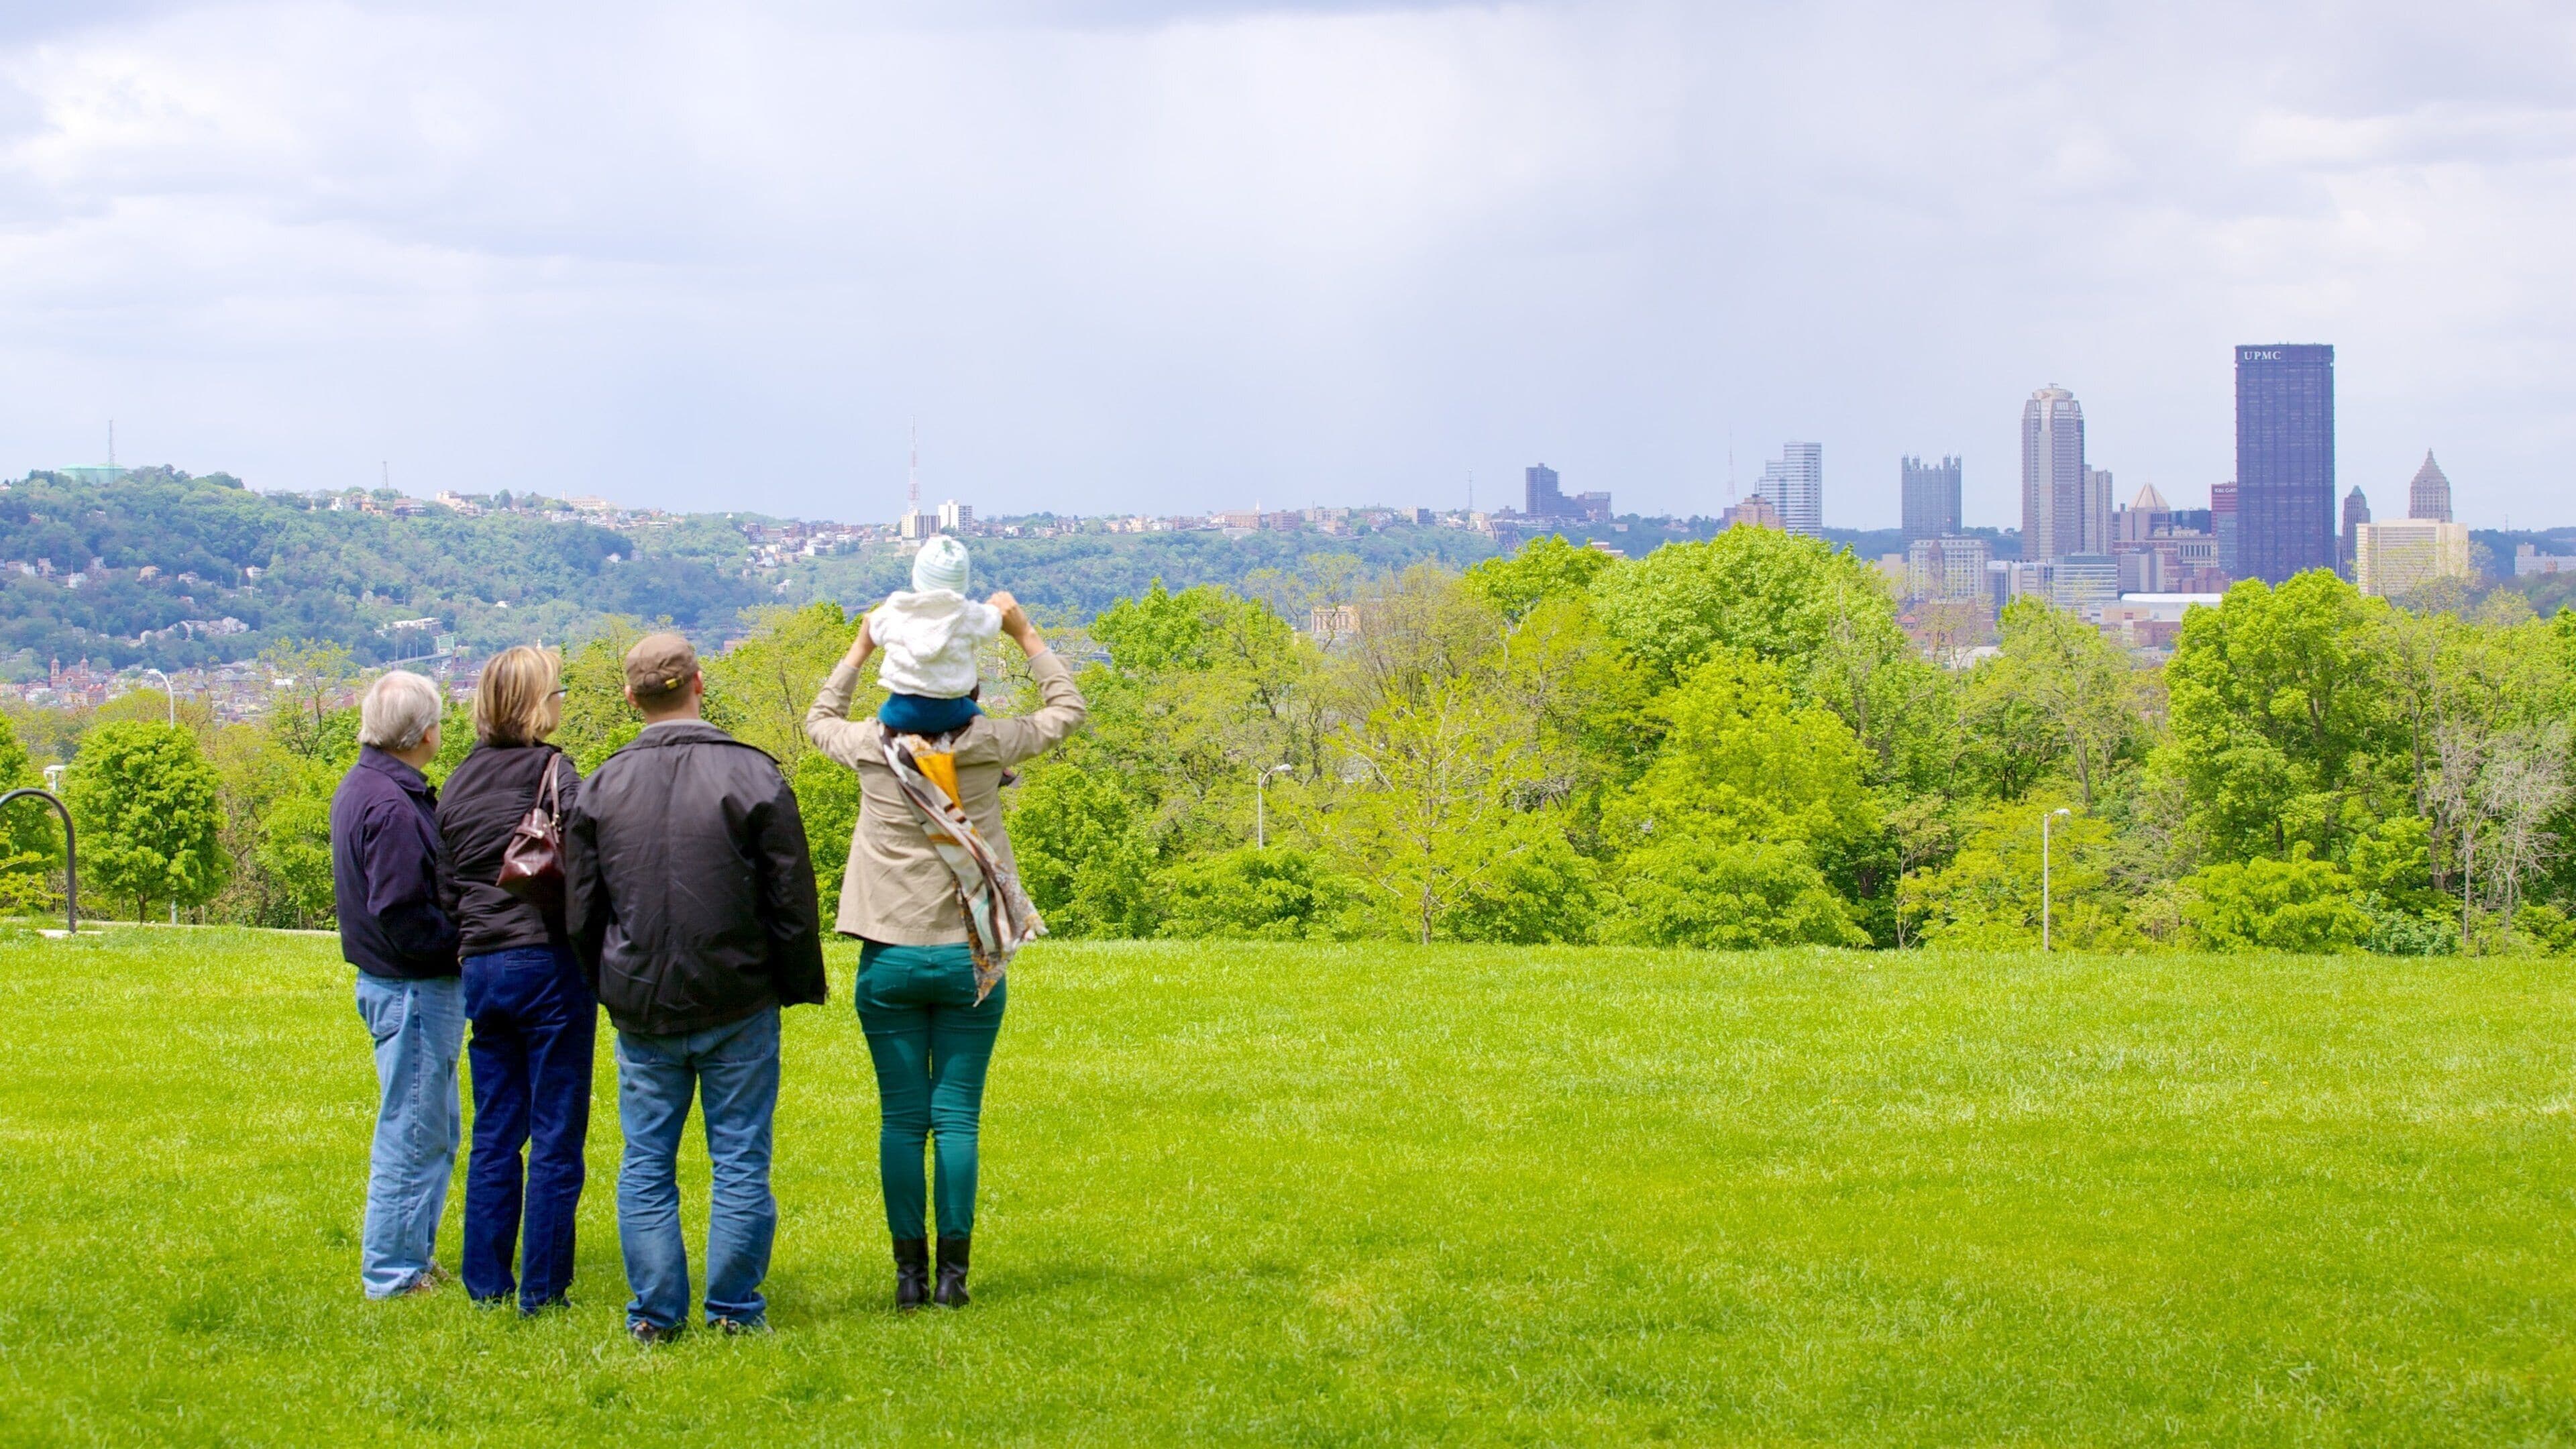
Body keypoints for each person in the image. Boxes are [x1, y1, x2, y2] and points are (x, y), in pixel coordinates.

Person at [805, 589, 1085, 1308]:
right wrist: (1025, 633)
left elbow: (818, 720)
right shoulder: (989, 745)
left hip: (889, 958)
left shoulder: (872, 747)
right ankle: (954, 1280)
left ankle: (908, 1278)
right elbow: (1066, 710)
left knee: (903, 1121)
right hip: (971, 958)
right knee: (957, 1117)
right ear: (965, 688)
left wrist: (861, 644)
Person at [566, 633, 826, 1343]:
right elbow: (791, 899)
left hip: (642, 994)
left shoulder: (602, 785)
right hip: (738, 991)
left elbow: (583, 908)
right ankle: (734, 1311)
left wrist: (604, 983)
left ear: (629, 697)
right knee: (740, 1155)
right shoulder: (754, 775)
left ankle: (656, 1315)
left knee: (646, 1160)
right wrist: (797, 981)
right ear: (699, 684)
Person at [435, 645, 590, 1316]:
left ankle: (486, 1284)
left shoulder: (458, 782)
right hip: (547, 959)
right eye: (555, 693)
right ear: (537, 705)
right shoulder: (554, 770)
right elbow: (587, 860)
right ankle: (544, 1288)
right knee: (556, 1131)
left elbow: (444, 885)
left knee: (496, 1129)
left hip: (483, 966)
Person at [329, 669, 462, 1300]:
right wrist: (462, 945)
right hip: (411, 986)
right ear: (424, 732)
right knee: (413, 1130)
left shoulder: (365, 786)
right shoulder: (392, 806)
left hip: (393, 983)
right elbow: (404, 911)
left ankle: (412, 1252)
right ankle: (393, 1272)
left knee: (428, 1126)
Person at [869, 533, 1001, 737]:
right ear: (962, 583)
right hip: (952, 712)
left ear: (917, 578)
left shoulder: (895, 611)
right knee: (983, 729)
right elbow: (993, 621)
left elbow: (874, 628)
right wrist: (995, 607)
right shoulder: (968, 616)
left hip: (898, 711)